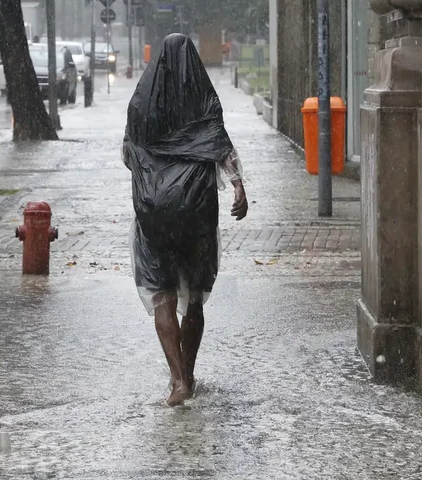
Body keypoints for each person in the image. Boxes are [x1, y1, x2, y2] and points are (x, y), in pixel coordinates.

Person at [122, 34, 248, 407]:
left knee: (162, 295)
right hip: (196, 213)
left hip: (155, 214)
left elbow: (128, 155)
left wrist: (158, 173)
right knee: (193, 299)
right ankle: (189, 372)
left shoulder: (142, 104)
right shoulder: (203, 99)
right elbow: (222, 147)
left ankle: (178, 382)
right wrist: (239, 188)